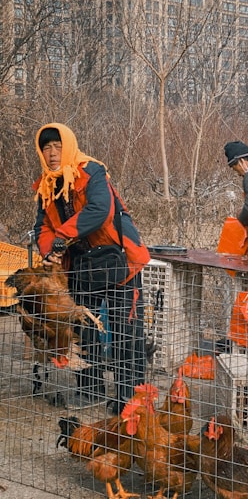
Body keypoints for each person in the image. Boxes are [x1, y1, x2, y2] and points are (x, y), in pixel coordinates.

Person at [33, 123, 150, 413]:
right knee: (83, 329)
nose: (52, 153)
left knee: (127, 330)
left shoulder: (92, 172)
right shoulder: (47, 185)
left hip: (120, 260)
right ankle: (89, 390)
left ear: (69, 146)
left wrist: (62, 237)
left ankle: (129, 396)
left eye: (57, 146)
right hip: (82, 265)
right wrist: (49, 252)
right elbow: (43, 227)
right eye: (46, 148)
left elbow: (100, 210)